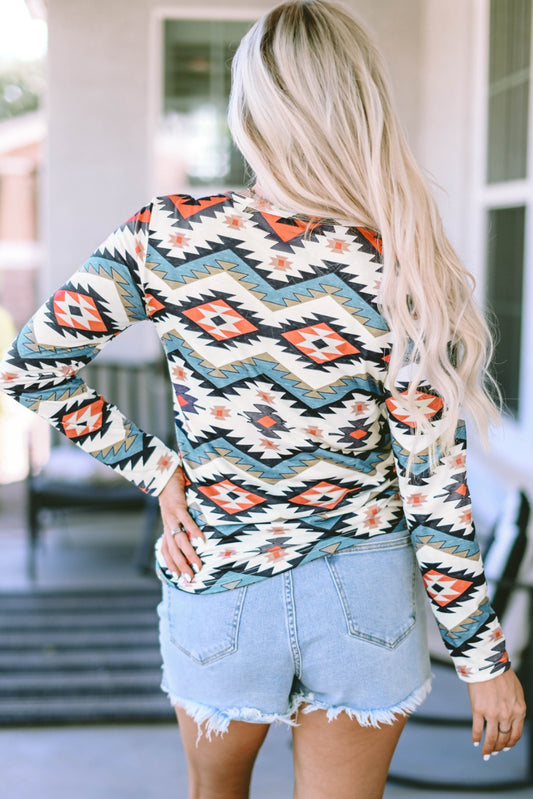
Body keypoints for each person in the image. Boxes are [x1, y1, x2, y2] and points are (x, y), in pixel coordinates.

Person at [0, 1, 526, 797]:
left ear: (251, 108)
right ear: (360, 105)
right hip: (363, 590)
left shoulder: (166, 236)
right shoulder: (402, 262)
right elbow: (431, 491)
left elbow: (32, 365)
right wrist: (482, 660)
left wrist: (158, 469)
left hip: (221, 572)